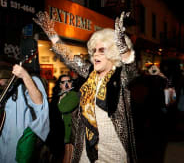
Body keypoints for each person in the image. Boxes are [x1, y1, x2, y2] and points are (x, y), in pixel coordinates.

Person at [34, 11, 137, 162]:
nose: (95, 55)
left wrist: (120, 43)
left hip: (113, 149)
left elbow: (131, 66)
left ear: (113, 54)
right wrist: (52, 33)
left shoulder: (121, 77)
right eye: (94, 50)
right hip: (86, 146)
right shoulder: (89, 73)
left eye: (102, 51)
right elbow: (69, 56)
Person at [0, 62, 50, 163]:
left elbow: (39, 103)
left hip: (19, 150)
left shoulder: (32, 80)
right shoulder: (8, 87)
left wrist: (24, 75)